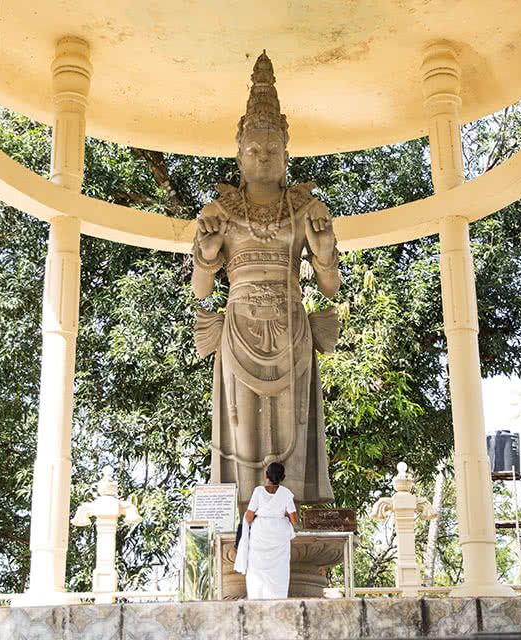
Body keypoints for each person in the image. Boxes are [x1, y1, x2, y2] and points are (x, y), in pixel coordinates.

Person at [191, 51, 340, 509]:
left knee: (290, 422)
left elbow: (330, 287)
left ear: (286, 154)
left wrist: (322, 252)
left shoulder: (306, 210)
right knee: (243, 426)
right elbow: (201, 290)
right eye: (253, 150)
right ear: (238, 153)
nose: (262, 158)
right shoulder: (219, 212)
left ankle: (296, 505)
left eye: (271, 150)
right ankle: (240, 509)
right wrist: (209, 255)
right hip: (238, 329)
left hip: (291, 325)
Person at [233, 462, 298, 599]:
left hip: (260, 536)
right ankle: (278, 601)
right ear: (283, 477)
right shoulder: (286, 494)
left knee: (257, 572)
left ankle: (257, 602)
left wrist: (260, 514)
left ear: (266, 475)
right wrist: (282, 515)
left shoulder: (258, 491)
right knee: (279, 573)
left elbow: (249, 517)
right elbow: (294, 520)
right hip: (279, 538)